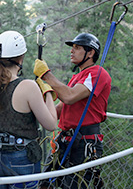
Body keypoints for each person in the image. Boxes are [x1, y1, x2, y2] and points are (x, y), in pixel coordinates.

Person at [0, 30, 58, 189]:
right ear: (21, 57)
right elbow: (51, 124)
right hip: (21, 159)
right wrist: (47, 93)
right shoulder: (28, 87)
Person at [34, 33, 111, 189]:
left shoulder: (97, 74)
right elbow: (62, 107)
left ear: (90, 53)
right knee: (44, 184)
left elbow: (69, 96)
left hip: (85, 143)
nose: (72, 51)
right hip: (65, 139)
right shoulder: (78, 77)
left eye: (77, 48)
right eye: (72, 48)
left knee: (72, 186)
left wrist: (46, 75)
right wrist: (36, 114)